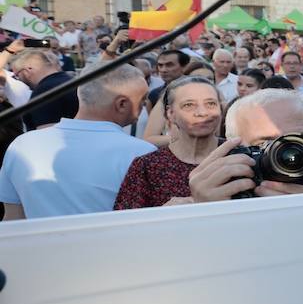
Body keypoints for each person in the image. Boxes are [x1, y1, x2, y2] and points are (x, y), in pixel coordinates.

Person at [0, 64, 153, 219]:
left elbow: (12, 219)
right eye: (142, 100)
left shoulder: (22, 145)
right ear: (122, 104)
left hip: (36, 243)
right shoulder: (142, 154)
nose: (144, 106)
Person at [186, 89, 303, 202]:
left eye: (298, 139)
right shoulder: (205, 202)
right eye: (265, 143)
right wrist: (206, 209)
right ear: (232, 150)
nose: (283, 151)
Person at [115, 76, 223, 209]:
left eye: (210, 103)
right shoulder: (148, 166)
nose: (202, 112)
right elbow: (126, 222)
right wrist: (164, 213)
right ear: (171, 113)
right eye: (189, 105)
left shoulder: (239, 155)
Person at [5, 46, 78, 129]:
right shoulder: (72, 81)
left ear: (27, 71)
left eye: (17, 75)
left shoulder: (44, 91)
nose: (19, 80)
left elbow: (46, 132)